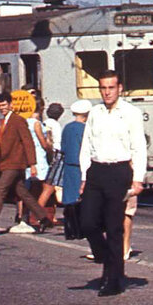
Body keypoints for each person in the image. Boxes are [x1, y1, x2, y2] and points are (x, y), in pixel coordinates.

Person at [78, 69, 147, 297]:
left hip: (119, 172)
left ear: (120, 89)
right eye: (103, 88)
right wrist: (84, 176)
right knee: (87, 222)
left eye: (111, 88)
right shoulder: (95, 113)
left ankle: (114, 280)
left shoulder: (131, 113)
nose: (107, 92)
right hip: (96, 171)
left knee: (115, 227)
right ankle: (103, 255)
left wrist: (138, 179)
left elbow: (138, 147)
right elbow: (86, 145)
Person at [0, 94, 52, 235]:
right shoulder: (6, 120)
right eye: (0, 106)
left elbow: (27, 142)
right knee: (22, 192)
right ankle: (43, 218)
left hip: (15, 163)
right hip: (9, 163)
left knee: (0, 191)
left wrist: (32, 164)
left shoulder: (18, 120)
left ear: (11, 105)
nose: (2, 108)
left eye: (4, 105)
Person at [60, 100, 89, 238]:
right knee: (82, 198)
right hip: (81, 166)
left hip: (68, 165)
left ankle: (69, 230)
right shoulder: (85, 129)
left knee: (69, 199)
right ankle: (81, 230)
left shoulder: (67, 128)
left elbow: (63, 147)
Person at [33, 102, 64, 215]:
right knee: (50, 185)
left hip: (48, 155)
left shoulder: (45, 123)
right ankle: (39, 213)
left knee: (48, 185)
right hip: (55, 155)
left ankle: (47, 213)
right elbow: (57, 142)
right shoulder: (56, 125)